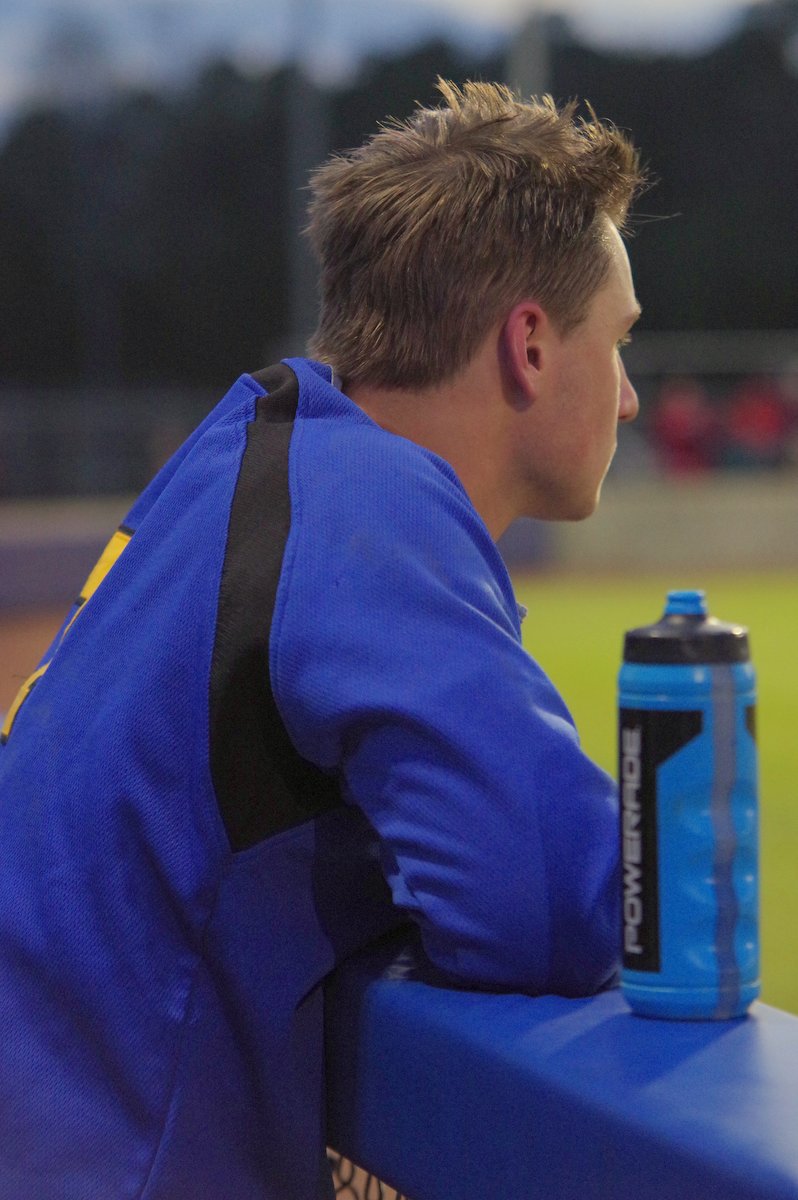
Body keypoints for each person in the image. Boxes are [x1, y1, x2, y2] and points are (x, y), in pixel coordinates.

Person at [0, 80, 645, 1199]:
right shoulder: (366, 503)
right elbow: (552, 906)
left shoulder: (249, 443)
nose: (630, 397)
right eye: (620, 341)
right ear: (531, 346)